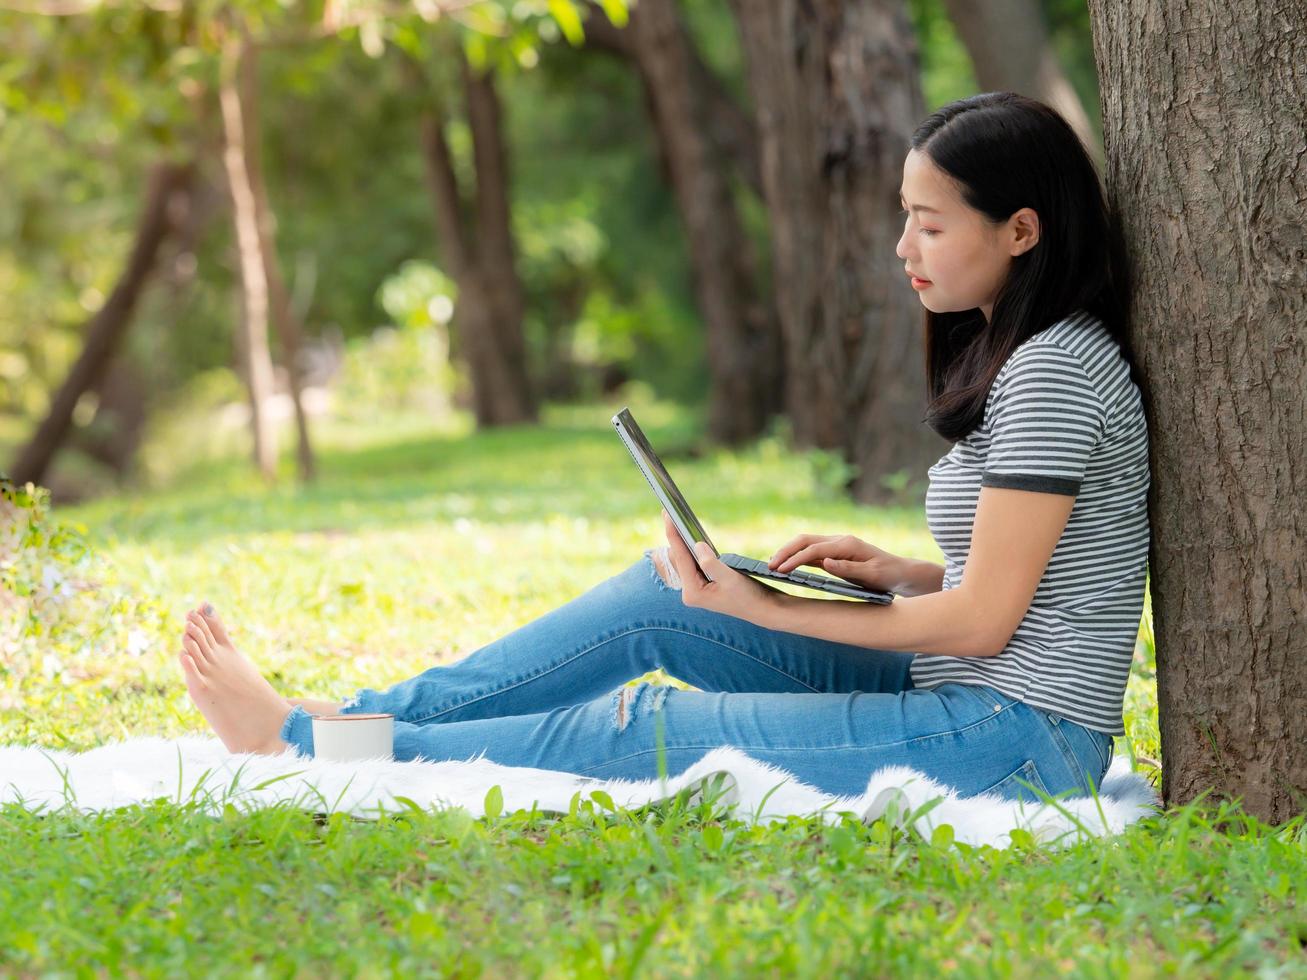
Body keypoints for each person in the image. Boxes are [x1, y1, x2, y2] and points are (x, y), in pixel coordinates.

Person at [177, 91, 1149, 802]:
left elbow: (984, 625)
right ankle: (348, 717)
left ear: (1019, 228)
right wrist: (901, 571)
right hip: (963, 690)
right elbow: (1035, 578)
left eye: (928, 223)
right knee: (667, 592)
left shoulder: (1055, 367)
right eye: (904, 217)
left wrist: (777, 613)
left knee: (650, 724)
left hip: (1013, 735)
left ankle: (307, 741)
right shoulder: (1024, 351)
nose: (903, 247)